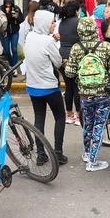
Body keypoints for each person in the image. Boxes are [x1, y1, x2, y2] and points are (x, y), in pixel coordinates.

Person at [64, 17, 110, 172]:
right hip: (103, 93)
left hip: (84, 94)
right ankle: (93, 161)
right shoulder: (106, 46)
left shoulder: (76, 48)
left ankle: (87, 153)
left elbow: (69, 73)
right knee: (99, 125)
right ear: (95, 30)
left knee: (88, 123)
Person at [24, 10, 68, 164]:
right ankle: (58, 152)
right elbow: (57, 62)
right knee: (60, 117)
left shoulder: (29, 36)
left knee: (39, 118)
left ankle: (41, 154)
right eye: (52, 22)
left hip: (33, 86)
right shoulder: (48, 41)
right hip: (49, 86)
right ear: (44, 24)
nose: (54, 25)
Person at [57, 0, 82, 125]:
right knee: (77, 86)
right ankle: (78, 115)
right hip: (76, 56)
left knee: (68, 87)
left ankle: (69, 114)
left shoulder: (62, 23)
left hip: (62, 56)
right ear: (76, 10)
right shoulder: (79, 22)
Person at [1, 0, 23, 67]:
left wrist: (16, 17)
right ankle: (11, 65)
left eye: (9, 3)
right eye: (6, 3)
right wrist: (7, 14)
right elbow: (1, 21)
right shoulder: (2, 9)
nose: (8, 5)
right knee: (6, 50)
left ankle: (15, 66)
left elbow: (21, 19)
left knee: (14, 49)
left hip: (14, 32)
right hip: (5, 32)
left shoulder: (16, 8)